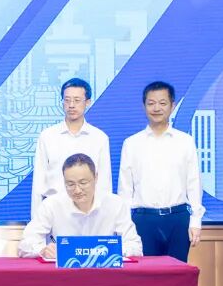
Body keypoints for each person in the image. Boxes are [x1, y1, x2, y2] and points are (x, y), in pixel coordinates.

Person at [118, 81, 204, 262]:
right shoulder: (131, 144)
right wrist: (124, 227)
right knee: (145, 275)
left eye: (162, 103)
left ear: (172, 106)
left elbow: (194, 183)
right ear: (144, 106)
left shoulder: (185, 141)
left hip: (178, 219)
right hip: (144, 220)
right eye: (151, 103)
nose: (156, 108)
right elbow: (125, 190)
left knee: (176, 274)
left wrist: (196, 220)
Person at [19, 153, 142, 259]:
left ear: (96, 178)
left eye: (83, 183)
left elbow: (135, 246)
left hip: (104, 273)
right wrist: (42, 250)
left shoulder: (115, 204)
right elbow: (25, 245)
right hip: (63, 274)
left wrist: (112, 250)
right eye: (70, 184)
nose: (77, 190)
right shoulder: (51, 205)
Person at [31, 78, 112, 219]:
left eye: (77, 100)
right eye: (67, 100)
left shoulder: (99, 138)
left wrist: (104, 219)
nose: (71, 105)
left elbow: (104, 184)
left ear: (87, 102)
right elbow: (38, 183)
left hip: (89, 213)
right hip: (54, 212)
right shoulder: (47, 136)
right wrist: (36, 221)